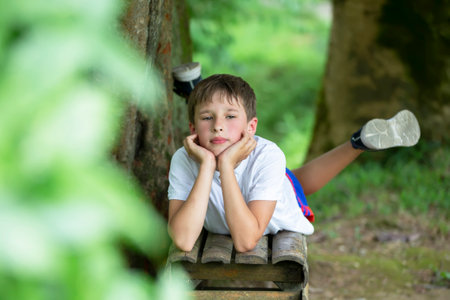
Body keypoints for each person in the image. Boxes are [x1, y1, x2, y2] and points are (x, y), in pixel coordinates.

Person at [168, 64, 420, 252]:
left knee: (294, 184)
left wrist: (224, 164)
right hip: (239, 166)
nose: (218, 126)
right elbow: (183, 239)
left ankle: (358, 143)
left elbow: (245, 241)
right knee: (216, 123)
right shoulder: (185, 158)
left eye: (231, 116)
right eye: (206, 118)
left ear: (252, 127)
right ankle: (195, 94)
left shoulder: (268, 155)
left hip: (274, 205)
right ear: (192, 129)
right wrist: (208, 165)